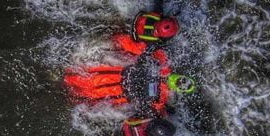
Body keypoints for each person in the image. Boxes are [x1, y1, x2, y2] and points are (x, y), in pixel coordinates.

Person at [64, 48, 196, 116]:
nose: (180, 81)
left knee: (89, 94)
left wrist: (165, 112)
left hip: (121, 94)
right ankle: (64, 76)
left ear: (179, 90)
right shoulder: (165, 66)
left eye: (181, 85)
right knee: (86, 76)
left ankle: (66, 95)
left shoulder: (163, 97)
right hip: (119, 74)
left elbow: (154, 110)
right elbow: (155, 52)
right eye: (183, 80)